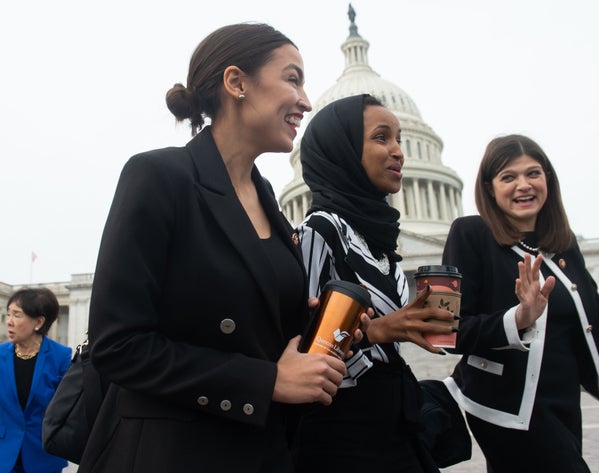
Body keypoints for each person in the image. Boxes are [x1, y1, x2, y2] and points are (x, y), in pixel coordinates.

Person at [78, 23, 355, 473]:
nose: (306, 100)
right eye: (292, 78)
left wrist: (322, 330)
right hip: (171, 455)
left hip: (261, 451)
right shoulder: (159, 176)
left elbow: (254, 331)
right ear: (236, 82)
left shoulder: (270, 203)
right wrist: (265, 382)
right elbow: (118, 345)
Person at [441, 133, 599, 472]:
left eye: (533, 173)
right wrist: (518, 318)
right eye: (509, 177)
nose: (524, 185)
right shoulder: (469, 233)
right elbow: (444, 332)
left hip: (563, 402)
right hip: (506, 405)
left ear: (547, 180)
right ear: (490, 188)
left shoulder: (562, 246)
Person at [292, 94, 456, 473]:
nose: (398, 151)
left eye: (400, 139)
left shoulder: (382, 244)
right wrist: (379, 330)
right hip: (343, 435)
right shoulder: (320, 230)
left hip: (397, 422)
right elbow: (304, 347)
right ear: (343, 149)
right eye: (382, 138)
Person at [1, 288, 72, 473]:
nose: (9, 321)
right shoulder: (0, 355)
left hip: (43, 456)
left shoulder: (62, 357)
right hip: (4, 456)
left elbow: (66, 409)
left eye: (17, 315)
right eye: (8, 314)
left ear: (39, 322)